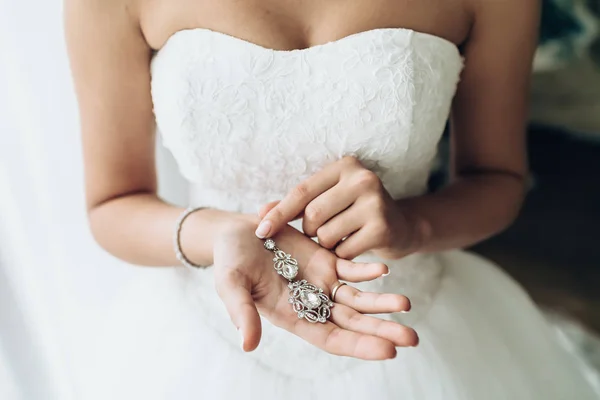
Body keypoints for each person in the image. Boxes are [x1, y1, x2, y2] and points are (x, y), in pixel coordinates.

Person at [64, 0, 599, 398]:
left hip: (410, 323)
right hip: (203, 339)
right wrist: (221, 234)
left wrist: (414, 224)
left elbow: (497, 178)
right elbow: (114, 202)